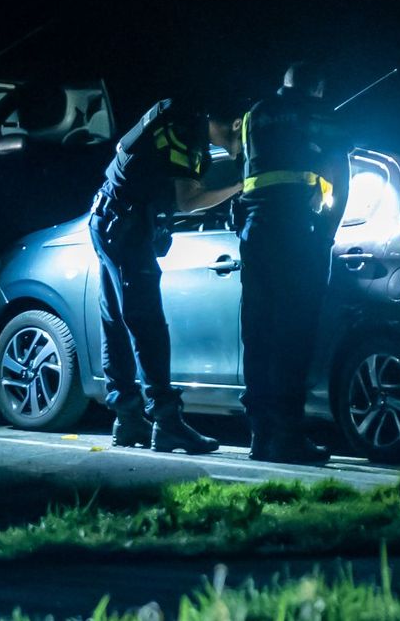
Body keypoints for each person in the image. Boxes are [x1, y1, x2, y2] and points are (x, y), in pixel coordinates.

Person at [90, 96, 244, 453]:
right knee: (148, 325)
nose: (239, 148)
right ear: (236, 124)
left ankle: (128, 419)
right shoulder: (186, 131)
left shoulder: (174, 114)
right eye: (242, 137)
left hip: (109, 217)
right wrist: (240, 186)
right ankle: (167, 422)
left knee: (116, 320)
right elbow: (188, 200)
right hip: (124, 225)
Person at [238, 62, 350, 463]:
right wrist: (326, 233)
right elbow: (339, 175)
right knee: (293, 334)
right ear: (317, 85)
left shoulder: (256, 113)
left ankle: (260, 433)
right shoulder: (321, 114)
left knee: (259, 333)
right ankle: (288, 435)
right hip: (295, 234)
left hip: (255, 231)